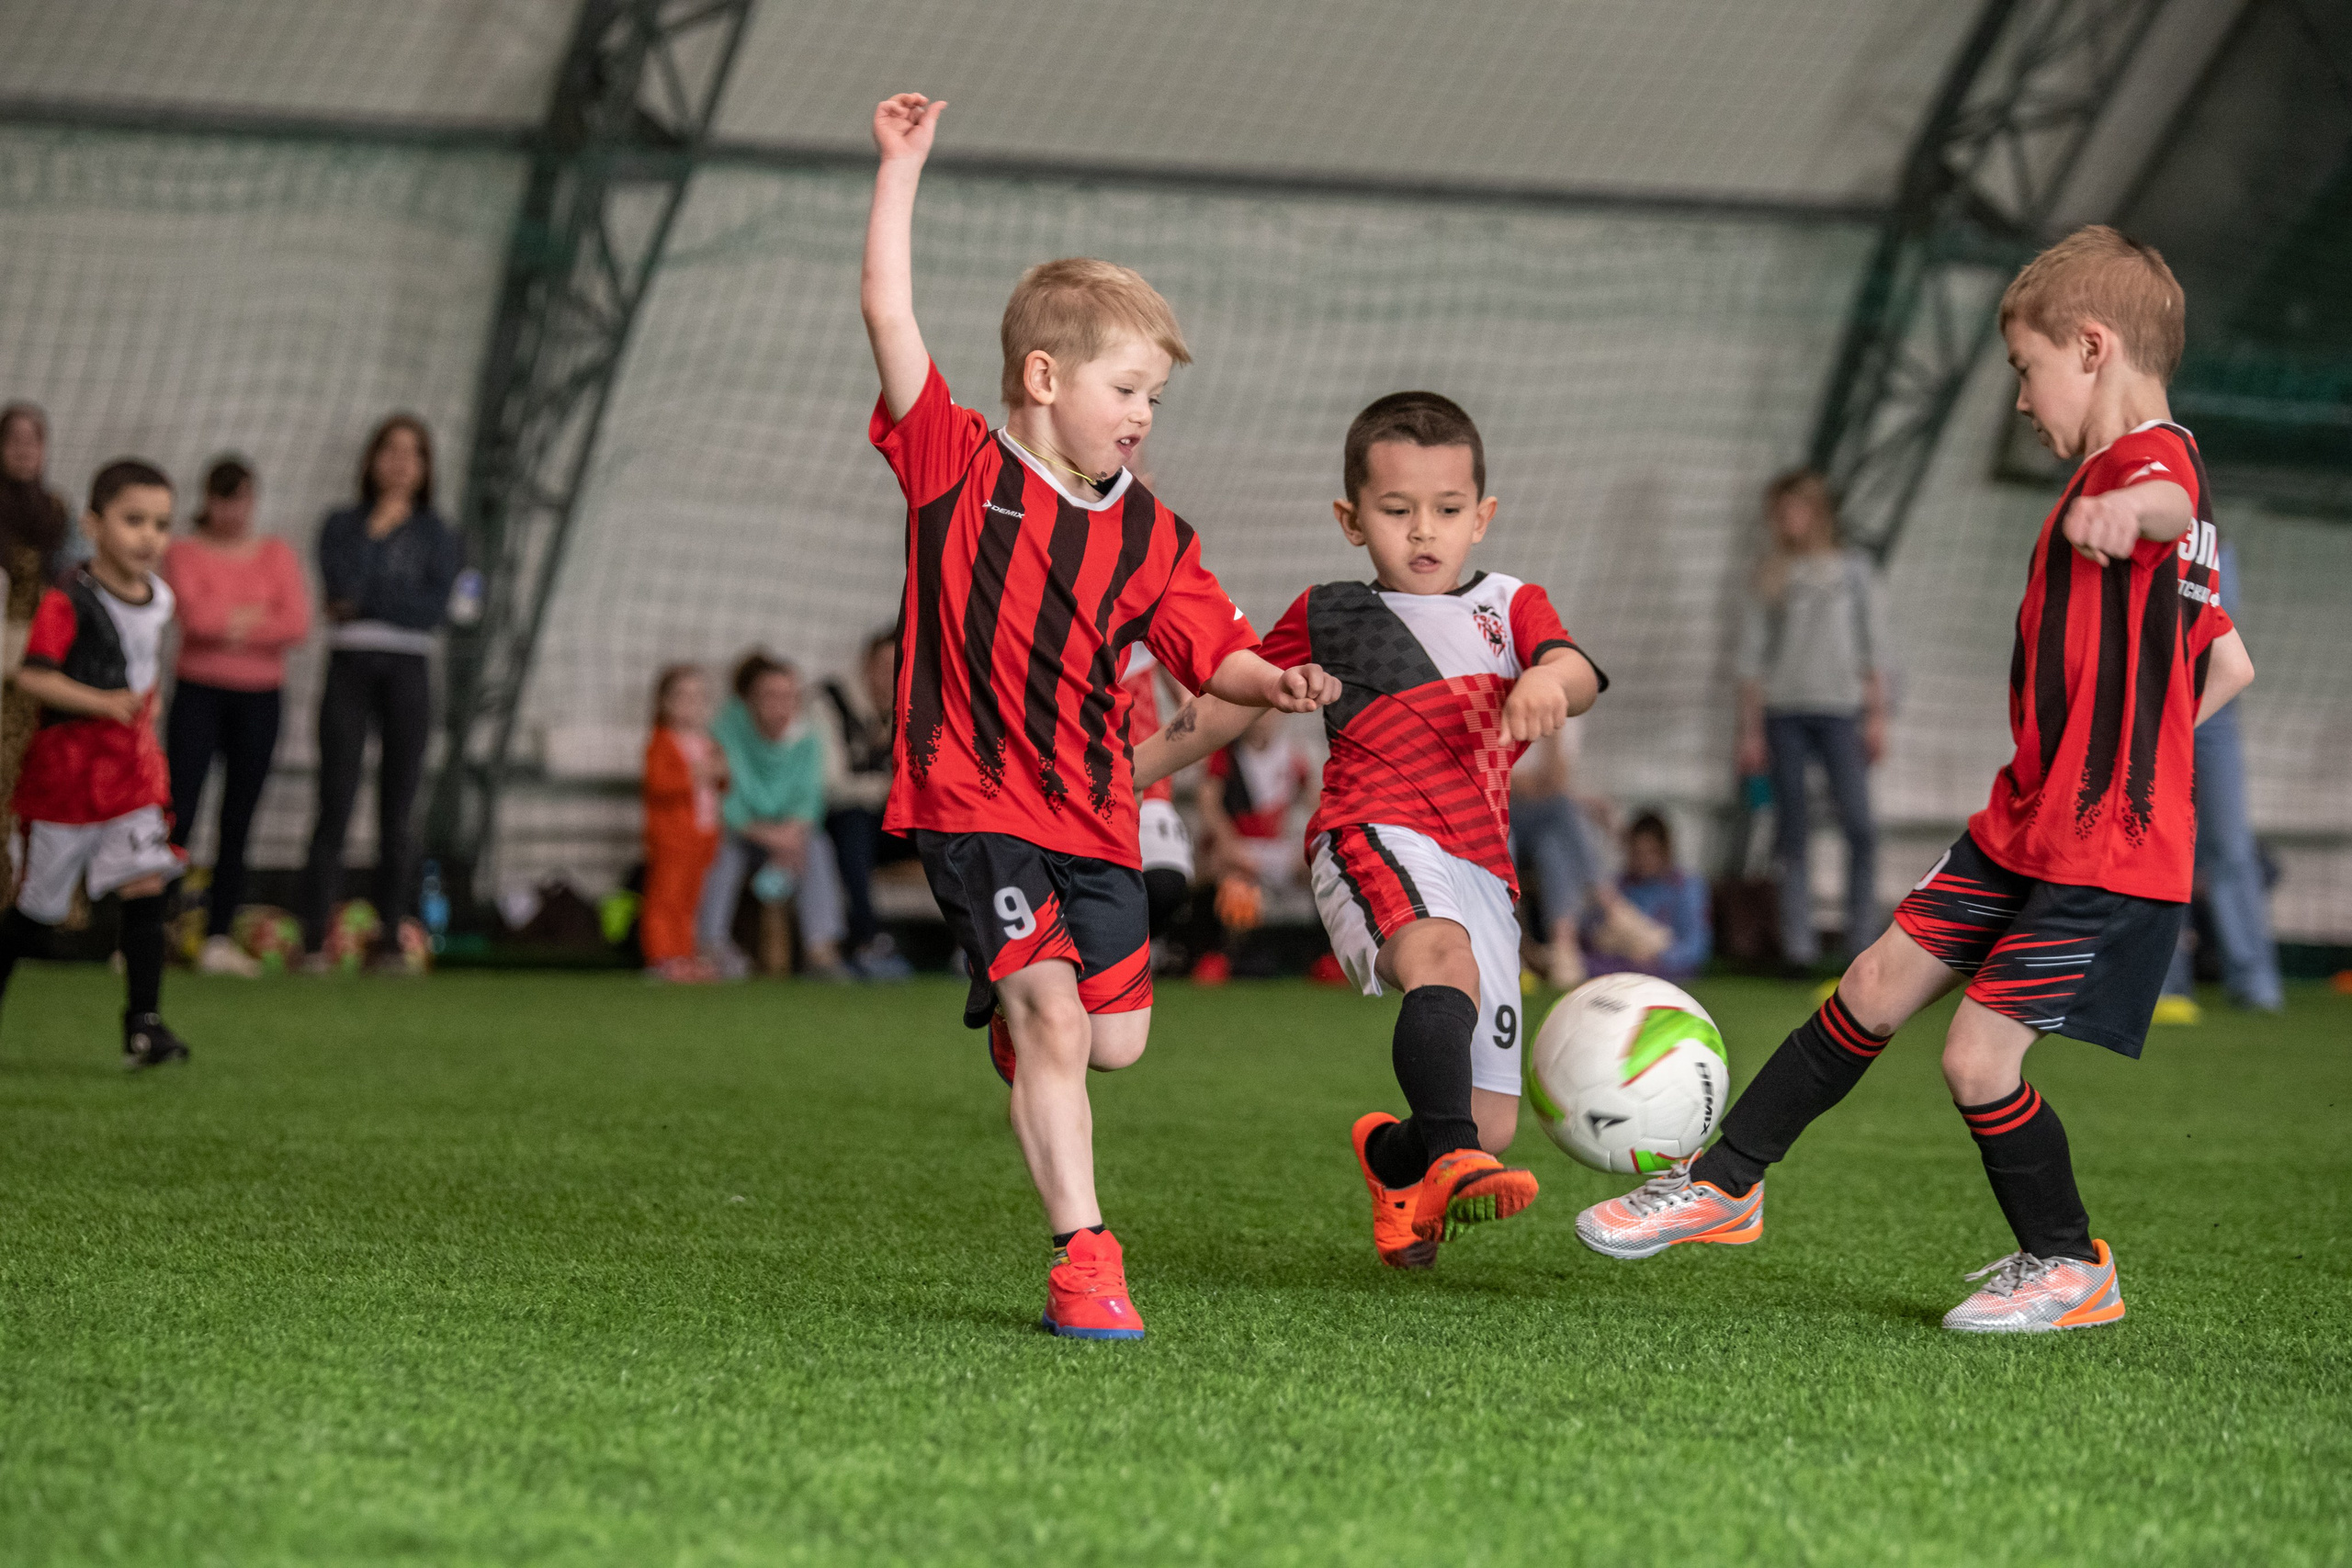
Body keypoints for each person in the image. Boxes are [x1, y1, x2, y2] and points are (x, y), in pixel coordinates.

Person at [1576, 226, 2256, 1334]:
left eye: (2023, 370)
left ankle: (2069, 1264)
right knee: (1871, 986)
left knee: (1976, 1057)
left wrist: (2128, 514)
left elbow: (2170, 500)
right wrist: (2136, 729)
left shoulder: (2146, 465)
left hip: (2099, 846)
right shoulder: (2122, 486)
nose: (2022, 400)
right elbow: (2226, 661)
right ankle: (1721, 1186)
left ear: (2092, 347)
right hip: (2026, 819)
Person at [863, 92, 1333, 1338]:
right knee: (1057, 1016)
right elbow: (888, 315)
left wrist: (1268, 682)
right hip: (971, 797)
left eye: (1155, 398)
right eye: (1127, 387)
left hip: (1096, 806)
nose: (1142, 412)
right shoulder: (953, 465)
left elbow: (1215, 654)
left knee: (1112, 1039)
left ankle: (1033, 1027)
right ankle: (1084, 1252)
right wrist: (901, 168)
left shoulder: (1155, 531)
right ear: (1041, 376)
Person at [1137, 391, 1604, 1271]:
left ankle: (1402, 1167)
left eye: (1447, 510)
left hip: (1484, 871)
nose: (1423, 531)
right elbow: (1226, 707)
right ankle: (1453, 1162)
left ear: (1483, 517)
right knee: (1439, 961)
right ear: (1353, 520)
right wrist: (1124, 774)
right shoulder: (1329, 614)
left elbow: (1573, 668)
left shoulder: (1512, 605)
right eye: (1396, 511)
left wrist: (1553, 679)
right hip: (1371, 829)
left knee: (1489, 1120)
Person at [0, 459, 191, 1067]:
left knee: (145, 884)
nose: (148, 537)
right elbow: (31, 675)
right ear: (93, 523)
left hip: (130, 777)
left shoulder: (160, 599)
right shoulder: (68, 599)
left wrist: (141, 712)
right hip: (66, 780)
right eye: (133, 520)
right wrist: (103, 703)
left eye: (161, 523)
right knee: (36, 912)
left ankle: (144, 1024)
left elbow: (142, 671)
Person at [299, 414, 462, 970]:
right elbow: (340, 588)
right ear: (371, 460)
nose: (399, 463)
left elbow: (433, 610)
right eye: (389, 450)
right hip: (349, 664)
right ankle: (314, 935)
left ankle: (392, 935)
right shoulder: (342, 525)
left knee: (399, 807)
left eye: (412, 453)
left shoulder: (440, 534)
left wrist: (369, 600)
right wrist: (375, 536)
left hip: (409, 670)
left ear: (425, 467)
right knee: (335, 800)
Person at [1734, 468, 1889, 970]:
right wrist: (1751, 731)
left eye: (1794, 507)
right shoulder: (1771, 574)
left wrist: (1876, 717)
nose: (1786, 519)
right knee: (1792, 830)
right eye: (1779, 512)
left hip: (1842, 712)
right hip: (1784, 716)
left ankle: (1861, 942)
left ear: (1817, 510)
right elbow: (1752, 662)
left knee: (1861, 826)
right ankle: (1798, 947)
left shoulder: (1855, 571)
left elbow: (1873, 649)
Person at [162, 457, 311, 976]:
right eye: (222, 499)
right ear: (207, 499)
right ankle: (154, 932)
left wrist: (229, 622)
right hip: (198, 693)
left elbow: (296, 621)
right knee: (177, 810)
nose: (231, 511)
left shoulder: (276, 552)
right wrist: (252, 616)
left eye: (241, 498)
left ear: (254, 500)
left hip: (260, 698)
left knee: (239, 817)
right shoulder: (182, 551)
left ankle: (218, 936)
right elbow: (194, 619)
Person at [2153, 541, 2282, 1021]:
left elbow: (2232, 665)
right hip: (2150, 702)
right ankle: (2162, 986)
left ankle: (2256, 985)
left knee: (2230, 848)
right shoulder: (2130, 533)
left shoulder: (2211, 547)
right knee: (2160, 843)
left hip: (2207, 709)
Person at [698, 651, 848, 979]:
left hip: (791, 836)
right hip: (745, 833)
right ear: (749, 700)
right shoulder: (726, 729)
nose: (780, 705)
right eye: (770, 696)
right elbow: (727, 801)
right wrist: (772, 836)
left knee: (818, 846)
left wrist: (790, 835)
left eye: (789, 697)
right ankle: (711, 946)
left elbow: (810, 800)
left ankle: (821, 949)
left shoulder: (809, 735)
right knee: (721, 850)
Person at [2, 404, 75, 896]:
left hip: (42, 659)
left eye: (35, 440)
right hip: (3, 654)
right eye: (14, 440)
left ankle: (32, 898)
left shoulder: (55, 510)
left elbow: (71, 580)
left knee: (39, 770)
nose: (26, 450)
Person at [1190, 707, 1317, 983]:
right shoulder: (1226, 753)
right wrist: (1228, 842)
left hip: (1273, 846)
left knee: (1321, 870)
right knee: (1234, 877)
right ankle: (1225, 954)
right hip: (1237, 843)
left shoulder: (1291, 755)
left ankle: (1322, 954)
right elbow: (1208, 803)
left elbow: (1314, 798)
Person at [819, 629, 912, 978]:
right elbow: (832, 785)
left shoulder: (915, 709)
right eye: (885, 666)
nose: (892, 676)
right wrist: (886, 790)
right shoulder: (830, 703)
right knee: (855, 821)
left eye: (899, 666)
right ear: (865, 667)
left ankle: (973, 946)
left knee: (947, 830)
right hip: (839, 825)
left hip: (892, 825)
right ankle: (867, 941)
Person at [641, 664, 725, 983]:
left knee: (690, 901)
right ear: (664, 702)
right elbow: (659, 785)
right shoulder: (661, 743)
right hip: (671, 840)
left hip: (701, 838)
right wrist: (696, 775)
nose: (691, 704)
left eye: (698, 697)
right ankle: (662, 956)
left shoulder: (707, 742)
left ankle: (685, 955)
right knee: (666, 899)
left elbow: (721, 784)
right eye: (682, 697)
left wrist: (720, 771)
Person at [1589, 811, 1711, 980]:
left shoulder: (1686, 886)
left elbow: (1696, 946)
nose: (1644, 860)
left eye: (1651, 852)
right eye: (1637, 853)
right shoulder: (1616, 887)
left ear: (1665, 850)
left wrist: (1659, 957)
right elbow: (1593, 937)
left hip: (1665, 969)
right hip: (1620, 963)